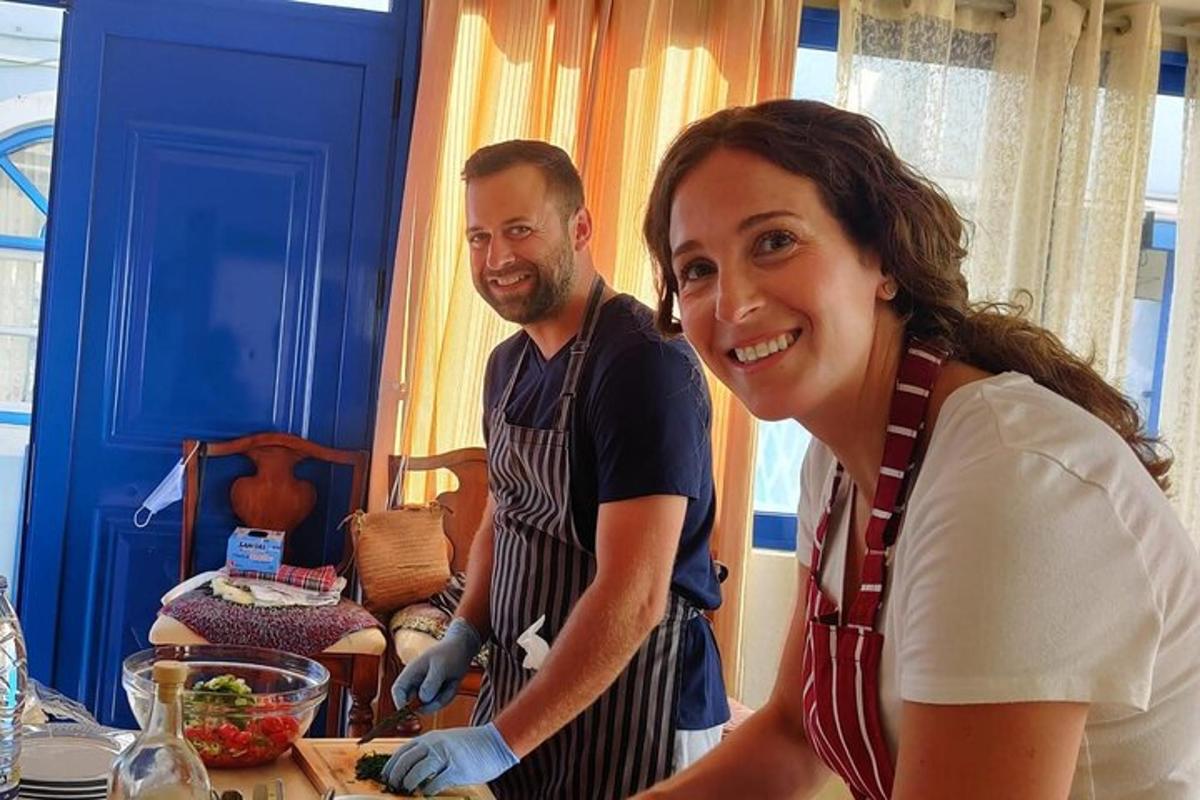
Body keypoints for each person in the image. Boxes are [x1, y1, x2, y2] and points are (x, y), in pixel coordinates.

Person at [632, 99, 1200, 800]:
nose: (731, 302)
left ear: (883, 260)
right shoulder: (834, 468)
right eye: (696, 270)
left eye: (774, 241)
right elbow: (791, 737)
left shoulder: (1007, 479)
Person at [381, 140, 729, 799]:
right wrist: (465, 630)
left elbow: (635, 594)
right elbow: (503, 518)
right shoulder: (505, 368)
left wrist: (497, 741)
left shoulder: (643, 363)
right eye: (479, 237)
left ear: (580, 228)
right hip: (525, 693)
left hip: (636, 707)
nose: (497, 258)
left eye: (519, 230)